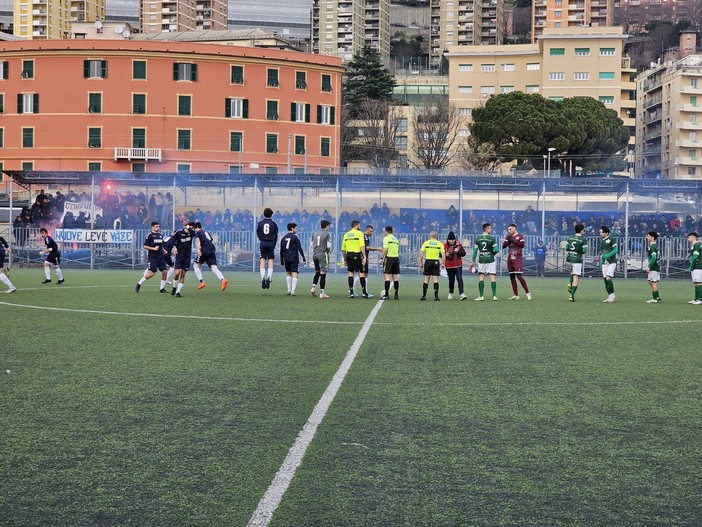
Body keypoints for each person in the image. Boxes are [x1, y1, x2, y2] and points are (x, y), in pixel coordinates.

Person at [193, 221, 229, 291]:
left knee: (196, 265)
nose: (193, 230)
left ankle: (201, 282)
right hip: (212, 250)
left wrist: (198, 249)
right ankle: (223, 280)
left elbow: (198, 241)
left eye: (194, 228)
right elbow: (211, 241)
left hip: (204, 251)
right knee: (214, 268)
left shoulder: (198, 233)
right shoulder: (206, 232)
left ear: (197, 227)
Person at [135, 221, 168, 293]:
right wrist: (153, 248)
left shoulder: (160, 235)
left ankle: (162, 288)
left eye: (158, 226)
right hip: (153, 257)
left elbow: (160, 245)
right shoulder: (149, 236)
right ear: (152, 227)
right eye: (156, 226)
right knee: (151, 274)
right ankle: (139, 283)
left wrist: (164, 250)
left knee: (165, 272)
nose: (158, 228)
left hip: (160, 257)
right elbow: (145, 246)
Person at [503, 223, 531, 300]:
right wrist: (507, 241)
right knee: (512, 277)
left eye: (510, 229)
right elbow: (503, 246)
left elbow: (522, 245)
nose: (509, 231)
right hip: (510, 257)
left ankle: (527, 292)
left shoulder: (520, 236)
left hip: (517, 257)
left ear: (514, 228)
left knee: (519, 276)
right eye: (508, 229)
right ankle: (516, 294)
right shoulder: (508, 236)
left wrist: (514, 240)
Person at [471, 222, 499, 301]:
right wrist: (491, 254)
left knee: (481, 278)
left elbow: (475, 251)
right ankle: (494, 296)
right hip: (491, 260)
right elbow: (496, 250)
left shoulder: (478, 238)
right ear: (486, 229)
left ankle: (481, 296)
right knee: (492, 277)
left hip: (482, 260)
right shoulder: (492, 238)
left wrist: (473, 260)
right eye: (490, 228)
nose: (491, 229)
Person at [341, 220, 368, 299]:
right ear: (356, 225)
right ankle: (364, 293)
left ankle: (351, 293)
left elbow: (343, 249)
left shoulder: (346, 234)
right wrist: (364, 256)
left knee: (350, 273)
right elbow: (362, 246)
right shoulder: (360, 233)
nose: (359, 227)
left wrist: (345, 259)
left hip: (349, 254)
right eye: (359, 225)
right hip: (358, 254)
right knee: (361, 273)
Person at [170, 220, 196, 298]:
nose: (193, 229)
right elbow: (172, 240)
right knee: (177, 273)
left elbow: (194, 234)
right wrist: (174, 247)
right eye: (192, 228)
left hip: (187, 257)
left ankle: (178, 292)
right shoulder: (179, 233)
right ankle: (174, 287)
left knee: (183, 274)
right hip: (179, 256)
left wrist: (188, 227)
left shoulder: (191, 234)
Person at [280, 222, 306, 296]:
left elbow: (281, 250)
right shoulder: (295, 237)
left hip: (286, 258)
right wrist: (303, 258)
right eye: (296, 228)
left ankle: (289, 289)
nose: (296, 229)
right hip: (294, 258)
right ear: (292, 228)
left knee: (288, 273)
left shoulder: (283, 238)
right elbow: (299, 248)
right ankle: (293, 291)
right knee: (295, 273)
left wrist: (282, 261)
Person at [356, 225, 381, 298]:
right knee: (363, 274)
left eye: (372, 231)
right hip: (361, 257)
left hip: (363, 256)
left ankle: (357, 290)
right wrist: (378, 249)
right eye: (370, 231)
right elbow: (367, 248)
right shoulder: (365, 237)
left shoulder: (365, 236)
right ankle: (364, 292)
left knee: (362, 274)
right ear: (367, 230)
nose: (372, 233)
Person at [419, 231, 445, 301]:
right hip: (436, 262)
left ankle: (424, 296)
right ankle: (436, 296)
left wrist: (420, 262)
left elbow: (421, 253)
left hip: (428, 261)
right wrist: (443, 263)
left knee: (426, 279)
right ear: (436, 236)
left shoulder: (426, 243)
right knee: (435, 279)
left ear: (429, 236)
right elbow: (443, 254)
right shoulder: (439, 244)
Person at [257, 207, 279, 289]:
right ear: (271, 215)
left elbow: (258, 232)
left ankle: (263, 277)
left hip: (263, 242)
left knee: (262, 259)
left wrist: (261, 239)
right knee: (270, 260)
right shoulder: (274, 223)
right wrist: (274, 242)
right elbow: (276, 234)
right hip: (271, 242)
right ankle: (269, 278)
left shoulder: (260, 223)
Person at [565, 224, 587, 302]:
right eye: (584, 230)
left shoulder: (570, 237)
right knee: (576, 277)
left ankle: (569, 283)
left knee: (573, 272)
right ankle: (571, 295)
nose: (584, 231)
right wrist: (578, 251)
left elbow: (567, 248)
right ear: (581, 230)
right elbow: (584, 251)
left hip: (569, 258)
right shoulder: (583, 239)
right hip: (577, 259)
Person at [310, 220, 332, 298]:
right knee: (323, 273)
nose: (329, 227)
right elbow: (328, 246)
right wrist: (329, 251)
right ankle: (322, 293)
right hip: (323, 254)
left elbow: (311, 245)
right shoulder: (327, 234)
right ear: (326, 226)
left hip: (315, 254)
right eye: (328, 226)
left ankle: (313, 287)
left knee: (317, 271)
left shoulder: (315, 234)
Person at [443, 231, 467, 300]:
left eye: (452, 240)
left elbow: (463, 253)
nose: (451, 241)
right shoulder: (444, 246)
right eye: (450, 240)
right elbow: (440, 254)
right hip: (449, 266)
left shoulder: (458, 245)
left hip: (458, 266)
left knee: (459, 279)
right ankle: (450, 292)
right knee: (451, 280)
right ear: (447, 239)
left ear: (455, 239)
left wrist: (457, 251)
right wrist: (446, 255)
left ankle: (461, 293)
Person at [380, 225, 400, 300]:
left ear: (386, 231)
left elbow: (385, 249)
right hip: (396, 258)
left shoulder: (386, 238)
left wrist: (381, 258)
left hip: (389, 258)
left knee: (387, 277)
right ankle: (396, 294)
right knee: (395, 277)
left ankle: (386, 295)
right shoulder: (395, 239)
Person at [599, 225, 618, 303]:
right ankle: (609, 295)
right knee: (605, 279)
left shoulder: (611, 239)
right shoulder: (602, 241)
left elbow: (615, 250)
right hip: (604, 263)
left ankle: (613, 295)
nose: (600, 233)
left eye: (601, 232)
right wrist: (601, 262)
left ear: (606, 233)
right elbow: (602, 253)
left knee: (608, 278)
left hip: (611, 261)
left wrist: (607, 255)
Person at [645, 231, 661, 304]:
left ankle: (655, 298)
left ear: (652, 237)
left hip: (654, 267)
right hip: (654, 266)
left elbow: (654, 257)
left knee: (653, 282)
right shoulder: (652, 245)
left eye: (648, 236)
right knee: (650, 281)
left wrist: (649, 266)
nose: (647, 237)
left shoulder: (653, 246)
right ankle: (657, 296)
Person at [687, 231, 702, 305]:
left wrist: (691, 267)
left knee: (698, 282)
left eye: (689, 237)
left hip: (698, 266)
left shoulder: (696, 245)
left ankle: (700, 299)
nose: (688, 239)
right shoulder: (694, 245)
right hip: (695, 266)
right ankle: (696, 298)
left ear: (693, 237)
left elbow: (695, 257)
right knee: (695, 282)